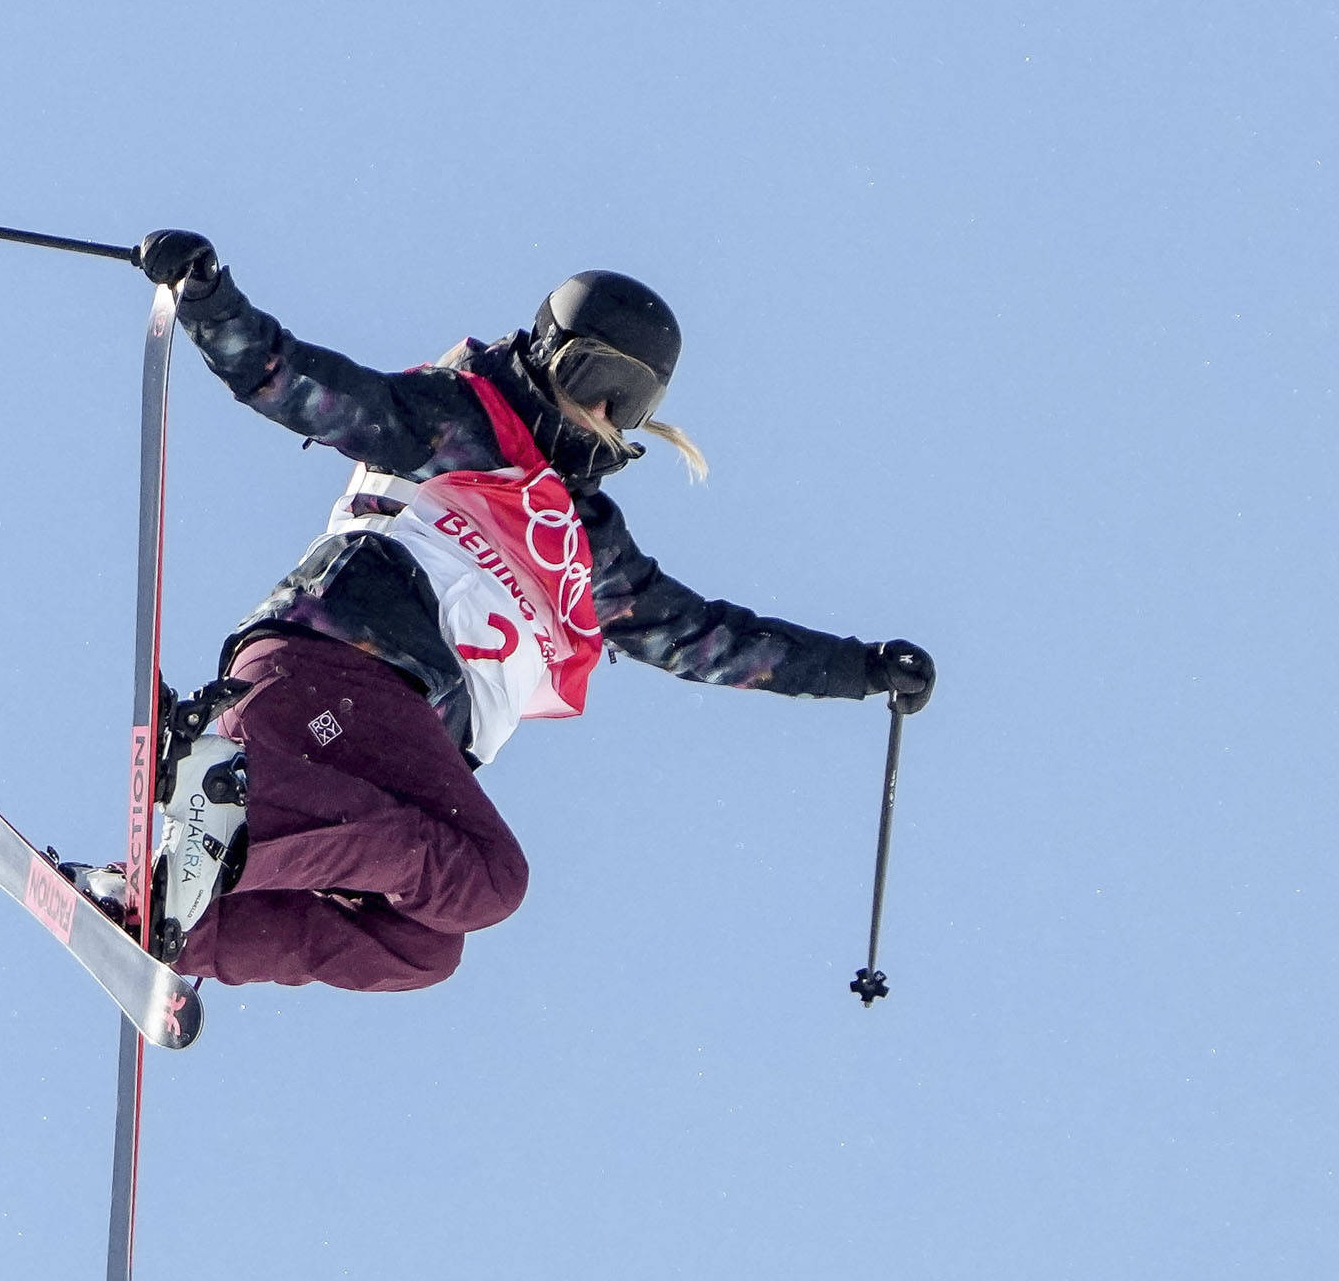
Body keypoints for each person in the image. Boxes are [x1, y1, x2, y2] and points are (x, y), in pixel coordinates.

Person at [94, 235, 934, 995]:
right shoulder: (461, 417)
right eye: (593, 380)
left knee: (424, 947)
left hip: (368, 738)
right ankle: (231, 793)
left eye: (630, 402)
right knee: (491, 877)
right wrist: (212, 305)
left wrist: (859, 670)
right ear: (546, 354)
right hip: (342, 663)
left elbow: (710, 641)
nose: (603, 415)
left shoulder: (589, 549)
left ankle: (168, 918)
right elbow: (309, 390)